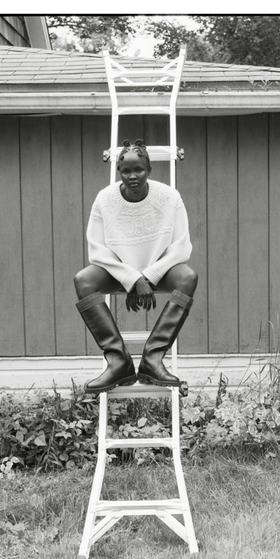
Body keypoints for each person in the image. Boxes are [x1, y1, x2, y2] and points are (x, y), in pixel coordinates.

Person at [74, 139, 198, 393]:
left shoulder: (169, 197)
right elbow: (97, 250)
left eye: (139, 169)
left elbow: (181, 248)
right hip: (118, 272)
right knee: (83, 280)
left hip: (159, 271)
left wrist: (148, 276)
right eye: (126, 171)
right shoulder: (105, 199)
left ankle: (153, 359)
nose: (132, 176)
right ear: (119, 172)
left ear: (149, 169)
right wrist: (131, 278)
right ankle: (119, 362)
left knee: (188, 276)